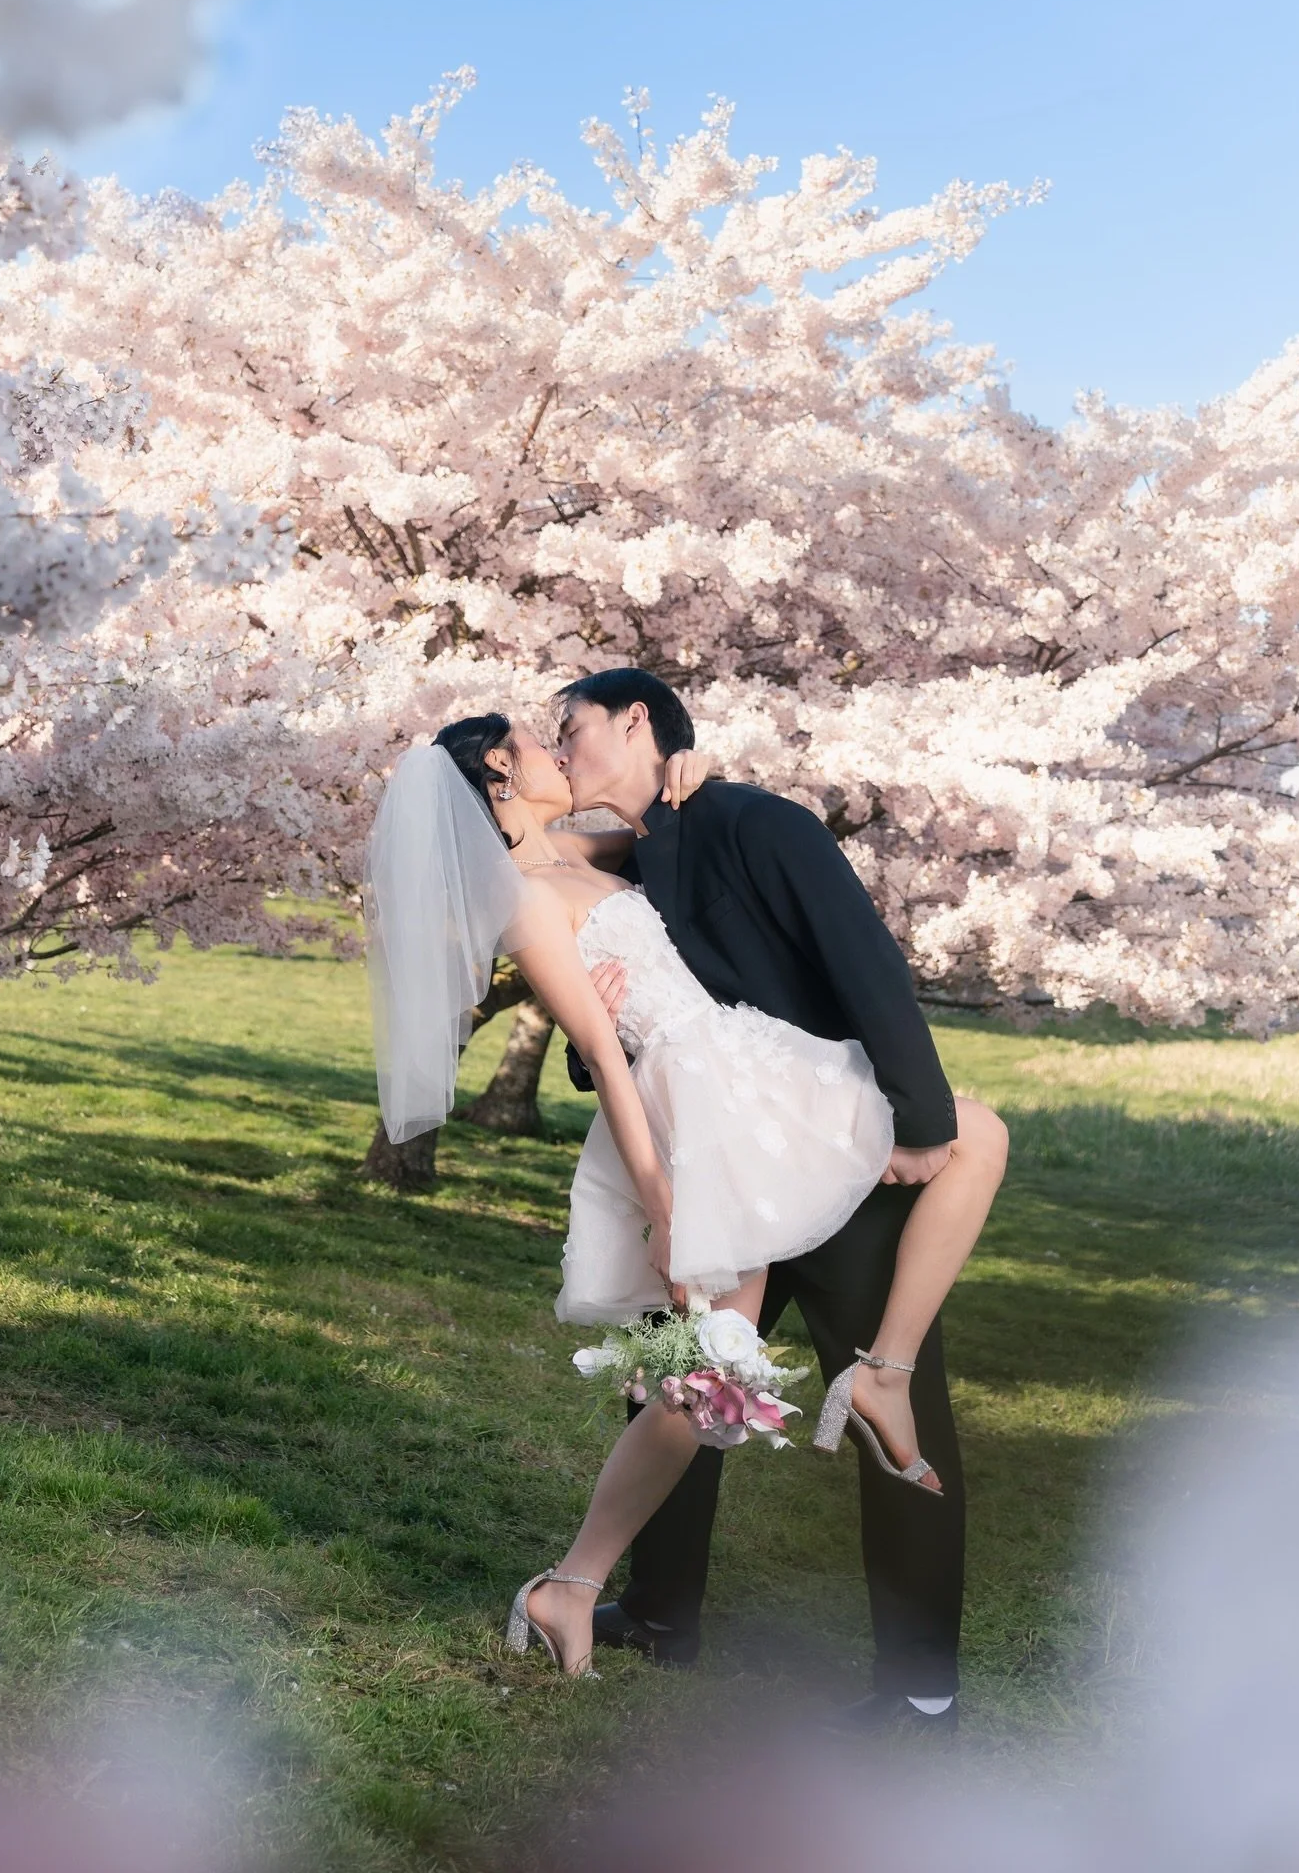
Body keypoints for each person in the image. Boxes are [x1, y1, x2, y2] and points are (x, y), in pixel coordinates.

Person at [362, 683, 1007, 1720]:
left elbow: (710, 869)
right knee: (702, 1377)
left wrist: (690, 771)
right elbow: (602, 1048)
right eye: (538, 740)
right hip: (705, 1129)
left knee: (745, 1371)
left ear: (633, 724)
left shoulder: (640, 842)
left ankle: (901, 1651)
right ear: (499, 773)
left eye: (567, 729)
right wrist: (663, 1199)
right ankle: (603, 1593)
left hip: (781, 1104)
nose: (555, 748)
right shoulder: (534, 888)